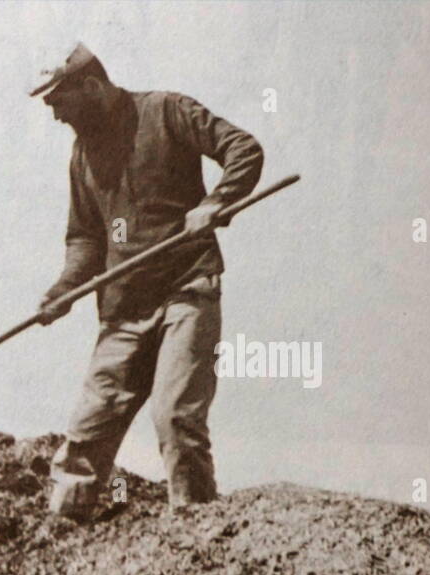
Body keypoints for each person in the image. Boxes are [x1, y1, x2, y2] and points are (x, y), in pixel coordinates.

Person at [33, 44, 263, 520]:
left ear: (91, 87)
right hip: (123, 309)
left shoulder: (166, 111)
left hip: (187, 289)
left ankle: (194, 531)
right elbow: (85, 240)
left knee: (176, 418)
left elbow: (243, 149)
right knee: (86, 432)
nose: (56, 116)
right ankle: (63, 530)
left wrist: (216, 202)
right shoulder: (82, 157)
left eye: (60, 103)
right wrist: (62, 292)